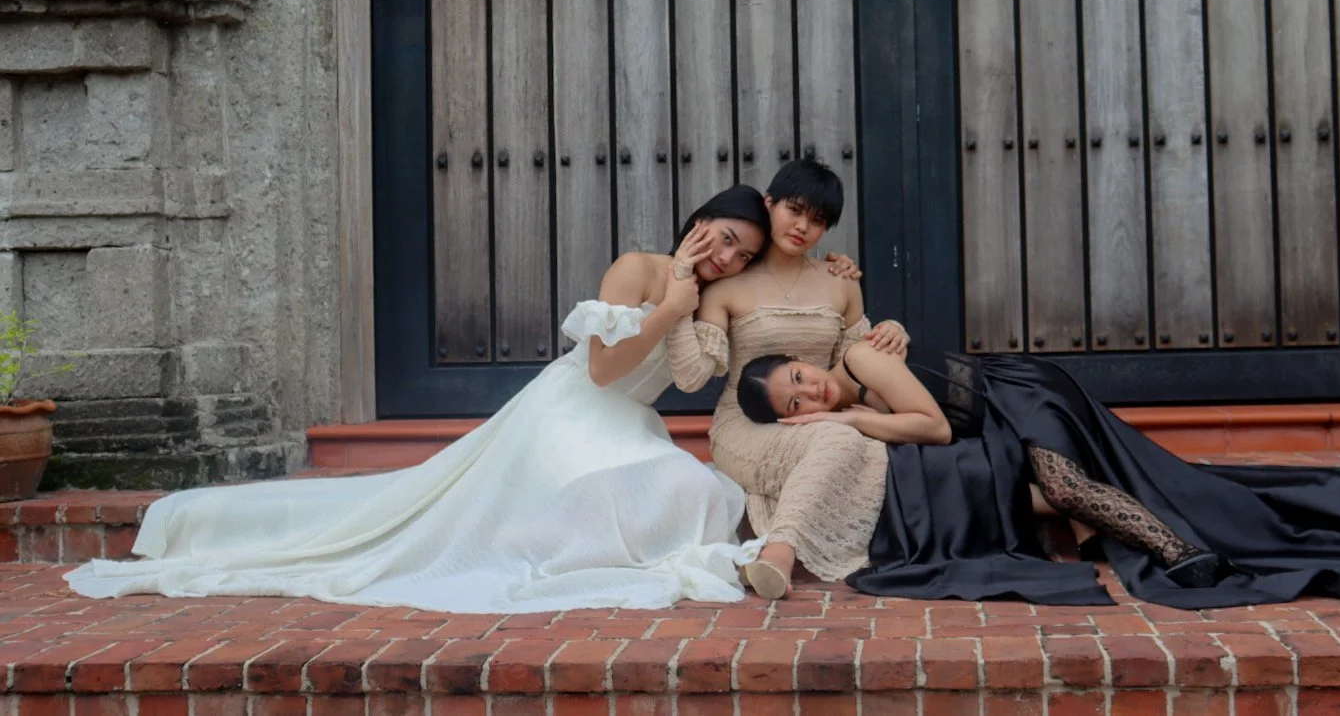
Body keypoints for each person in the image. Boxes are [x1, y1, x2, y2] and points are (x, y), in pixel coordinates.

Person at [64, 185, 861, 614]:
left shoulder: (715, 292)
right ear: (696, 222)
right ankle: (199, 525)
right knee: (672, 489)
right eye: (721, 236)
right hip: (572, 409)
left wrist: (839, 279)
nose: (726, 258)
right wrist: (674, 296)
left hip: (627, 421)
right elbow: (602, 368)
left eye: (741, 253)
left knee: (693, 491)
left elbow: (762, 329)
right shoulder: (642, 268)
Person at [733, 342, 1340, 609]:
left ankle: (1179, 553)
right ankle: (1183, 539)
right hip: (998, 428)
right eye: (794, 402)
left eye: (799, 377)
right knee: (1052, 489)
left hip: (1023, 395)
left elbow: (933, 425)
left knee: (1064, 488)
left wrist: (849, 418)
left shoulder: (863, 360)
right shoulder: (845, 395)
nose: (810, 394)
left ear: (810, 359)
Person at [667, 158, 910, 600]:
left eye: (817, 221)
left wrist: (893, 334)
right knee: (839, 441)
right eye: (794, 210)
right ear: (770, 203)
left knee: (844, 438)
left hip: (818, 416)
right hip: (745, 427)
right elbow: (690, 378)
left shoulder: (842, 281)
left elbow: (855, 368)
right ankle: (780, 553)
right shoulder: (728, 281)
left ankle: (776, 550)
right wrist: (680, 292)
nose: (802, 227)